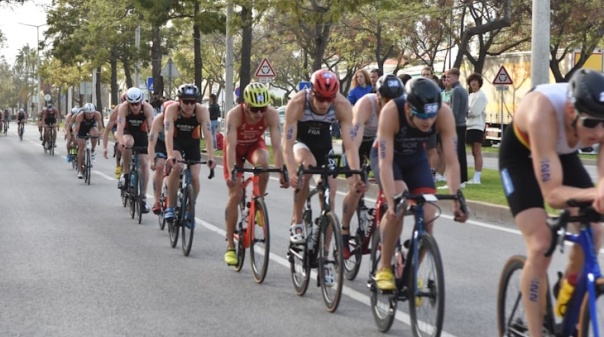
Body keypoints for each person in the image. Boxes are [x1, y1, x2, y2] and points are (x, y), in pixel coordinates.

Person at [499, 69, 604, 337]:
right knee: (541, 243)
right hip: (520, 158)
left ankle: (569, 289)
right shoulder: (542, 112)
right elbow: (553, 195)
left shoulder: (597, 120)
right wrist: (595, 195)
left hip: (562, 154)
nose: (599, 131)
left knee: (595, 230)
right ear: (571, 111)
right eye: (591, 123)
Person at [372, 77, 468, 291]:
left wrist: (456, 197)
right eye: (421, 116)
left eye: (431, 117)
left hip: (416, 159)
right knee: (400, 202)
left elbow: (452, 161)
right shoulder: (391, 112)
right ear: (408, 108)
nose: (428, 122)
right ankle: (385, 267)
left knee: (428, 216)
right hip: (389, 159)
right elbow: (385, 164)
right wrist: (391, 200)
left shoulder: (443, 114)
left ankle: (411, 268)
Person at [283, 69, 364, 283]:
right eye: (320, 98)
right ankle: (297, 220)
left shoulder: (342, 105)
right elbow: (287, 144)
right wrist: (292, 172)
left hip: (324, 147)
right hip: (302, 143)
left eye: (328, 99)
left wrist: (355, 174)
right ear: (311, 92)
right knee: (307, 169)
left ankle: (325, 257)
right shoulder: (298, 103)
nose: (324, 103)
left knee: (330, 196)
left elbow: (349, 146)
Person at [222, 82, 288, 265]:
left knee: (264, 163)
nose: (259, 113)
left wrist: (282, 170)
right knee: (235, 195)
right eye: (254, 109)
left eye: (262, 108)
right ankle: (229, 245)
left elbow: (276, 145)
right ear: (245, 104)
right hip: (234, 150)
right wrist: (232, 172)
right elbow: (230, 146)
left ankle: (258, 201)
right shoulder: (234, 115)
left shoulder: (272, 114)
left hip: (253, 145)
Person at [340, 74, 404, 258]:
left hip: (379, 144)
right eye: (386, 100)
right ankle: (344, 231)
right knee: (357, 187)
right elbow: (352, 144)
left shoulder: (399, 108)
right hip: (357, 144)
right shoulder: (365, 105)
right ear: (377, 96)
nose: (390, 105)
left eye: (394, 101)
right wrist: (356, 172)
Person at [163, 84, 216, 222]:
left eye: (193, 101)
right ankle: (170, 206)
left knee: (195, 177)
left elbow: (208, 134)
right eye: (186, 101)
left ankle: (190, 207)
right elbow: (168, 133)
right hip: (177, 142)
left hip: (193, 144)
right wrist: (169, 155)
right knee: (178, 167)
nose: (189, 105)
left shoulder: (202, 111)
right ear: (179, 101)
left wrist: (210, 157)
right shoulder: (172, 110)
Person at [115, 87, 154, 213]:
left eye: (137, 104)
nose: (135, 107)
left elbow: (151, 129)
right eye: (132, 104)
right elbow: (120, 127)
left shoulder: (147, 108)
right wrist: (120, 142)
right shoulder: (123, 108)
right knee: (128, 143)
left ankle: (143, 198)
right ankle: (126, 174)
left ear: (141, 102)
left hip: (141, 134)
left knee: (143, 163)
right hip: (128, 131)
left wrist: (152, 146)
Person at [439, 68, 468, 189]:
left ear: (455, 77)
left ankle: (454, 180)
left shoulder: (456, 91)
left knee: (453, 154)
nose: (447, 79)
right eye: (446, 77)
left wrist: (447, 124)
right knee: (460, 153)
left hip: (456, 125)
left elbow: (454, 112)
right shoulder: (463, 90)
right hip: (462, 124)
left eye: (449, 77)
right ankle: (461, 180)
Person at [148, 100, 176, 214]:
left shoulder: (178, 118)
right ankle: (157, 201)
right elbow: (151, 142)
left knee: (177, 168)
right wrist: (151, 161)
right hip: (160, 144)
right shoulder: (158, 121)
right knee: (159, 166)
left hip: (175, 144)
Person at [466, 73, 488, 184]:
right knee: (473, 152)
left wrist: (465, 111)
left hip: (477, 126)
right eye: (471, 81)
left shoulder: (481, 96)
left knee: (477, 151)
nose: (473, 83)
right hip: (469, 126)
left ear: (479, 83)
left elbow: (474, 111)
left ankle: (477, 177)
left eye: (476, 81)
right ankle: (474, 176)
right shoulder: (470, 96)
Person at [73, 103, 103, 179]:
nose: (90, 115)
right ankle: (79, 169)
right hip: (82, 129)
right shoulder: (80, 116)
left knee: (94, 134)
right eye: (88, 113)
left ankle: (92, 151)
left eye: (92, 113)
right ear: (85, 112)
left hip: (91, 127)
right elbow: (76, 129)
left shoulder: (97, 114)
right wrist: (76, 136)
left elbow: (100, 126)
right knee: (81, 146)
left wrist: (99, 133)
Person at [103, 93, 127, 178]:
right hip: (117, 127)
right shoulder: (117, 110)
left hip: (129, 128)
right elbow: (106, 131)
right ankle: (118, 165)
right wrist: (105, 147)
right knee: (120, 141)